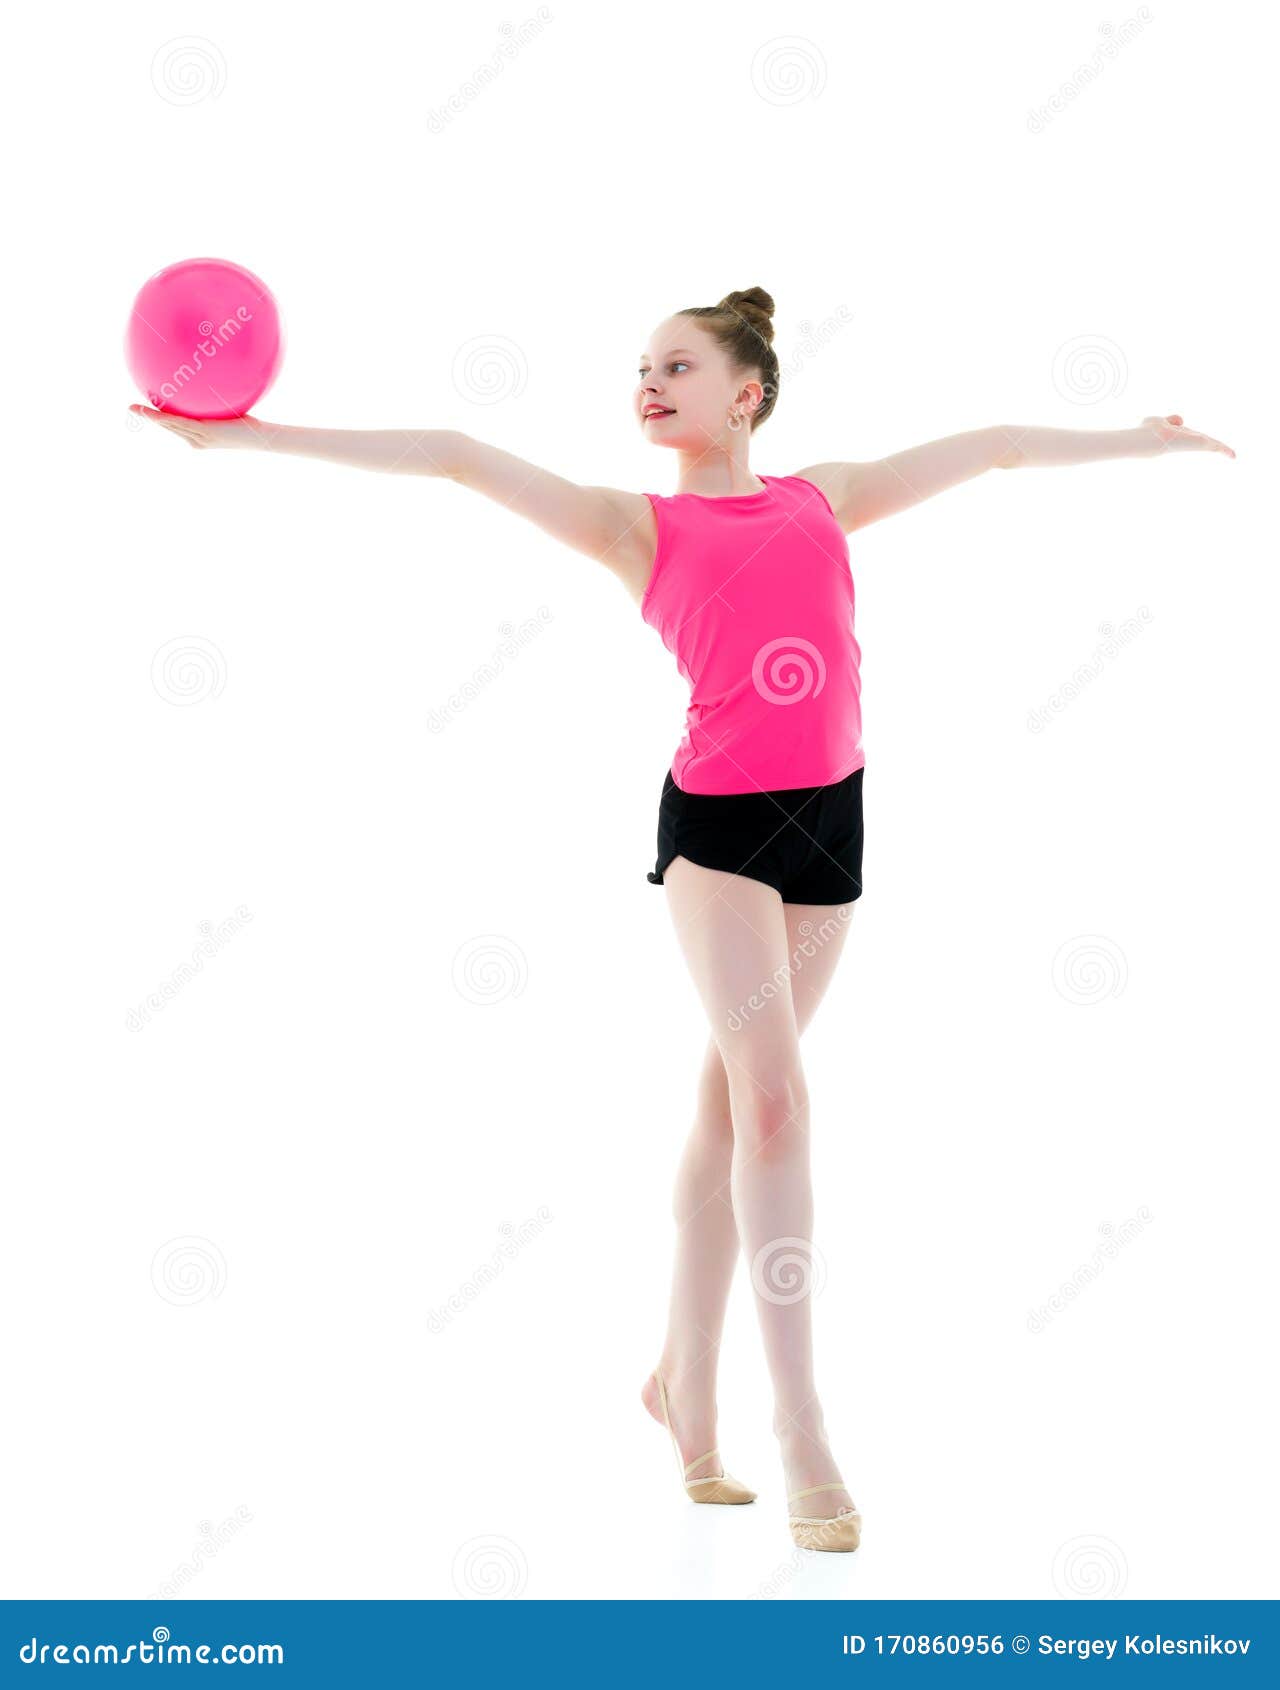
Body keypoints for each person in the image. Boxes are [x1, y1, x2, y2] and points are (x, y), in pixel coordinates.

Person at [130, 285, 1235, 1553]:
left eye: (675, 365)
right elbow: (449, 455)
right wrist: (245, 437)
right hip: (716, 838)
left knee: (729, 1115)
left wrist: (1142, 440)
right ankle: (801, 1424)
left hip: (831, 825)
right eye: (639, 369)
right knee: (775, 1102)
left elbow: (988, 447)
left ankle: (676, 1388)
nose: (646, 384)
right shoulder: (630, 528)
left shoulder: (822, 498)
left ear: (745, 392)